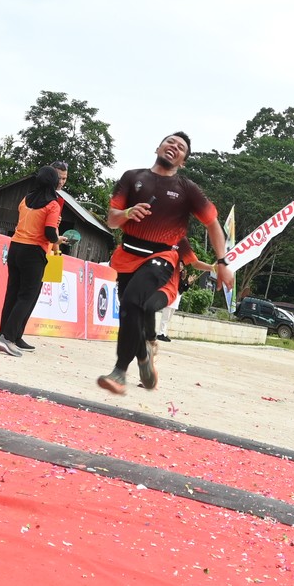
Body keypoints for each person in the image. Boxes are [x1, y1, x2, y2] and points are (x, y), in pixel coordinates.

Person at [96, 132, 232, 395]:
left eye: (181, 147)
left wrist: (222, 262)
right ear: (158, 147)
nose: (174, 147)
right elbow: (111, 220)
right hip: (127, 255)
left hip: (161, 257)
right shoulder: (131, 177)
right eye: (170, 142)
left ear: (183, 161)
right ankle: (144, 357)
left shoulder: (187, 189)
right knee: (129, 312)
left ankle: (119, 373)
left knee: (135, 302)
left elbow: (213, 224)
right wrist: (127, 213)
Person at [0, 163, 66, 356]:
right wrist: (58, 239)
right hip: (33, 252)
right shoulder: (53, 205)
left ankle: (5, 335)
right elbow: (50, 232)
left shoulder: (25, 199)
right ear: (53, 182)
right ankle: (8, 338)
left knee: (12, 294)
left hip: (15, 248)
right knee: (27, 296)